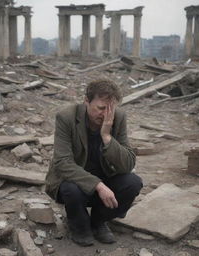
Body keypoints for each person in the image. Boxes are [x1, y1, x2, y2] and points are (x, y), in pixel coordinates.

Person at [46, 79, 143, 246]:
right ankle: (79, 226)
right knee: (72, 189)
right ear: (86, 101)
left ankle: (99, 221)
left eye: (110, 108)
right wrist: (98, 185)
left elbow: (128, 164)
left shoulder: (118, 117)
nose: (106, 114)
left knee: (133, 183)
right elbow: (62, 163)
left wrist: (107, 137)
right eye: (101, 108)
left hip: (104, 177)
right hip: (75, 182)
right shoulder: (66, 117)